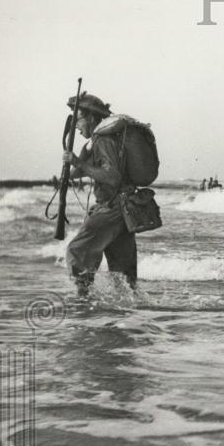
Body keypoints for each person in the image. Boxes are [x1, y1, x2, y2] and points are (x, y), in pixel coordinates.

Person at [62, 92, 137, 297]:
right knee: (123, 279)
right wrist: (74, 163)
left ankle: (83, 305)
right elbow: (81, 171)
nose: (76, 126)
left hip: (111, 208)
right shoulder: (99, 141)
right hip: (123, 211)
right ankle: (128, 320)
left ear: (92, 118)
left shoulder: (103, 140)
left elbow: (112, 177)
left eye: (78, 120)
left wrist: (78, 163)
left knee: (77, 251)